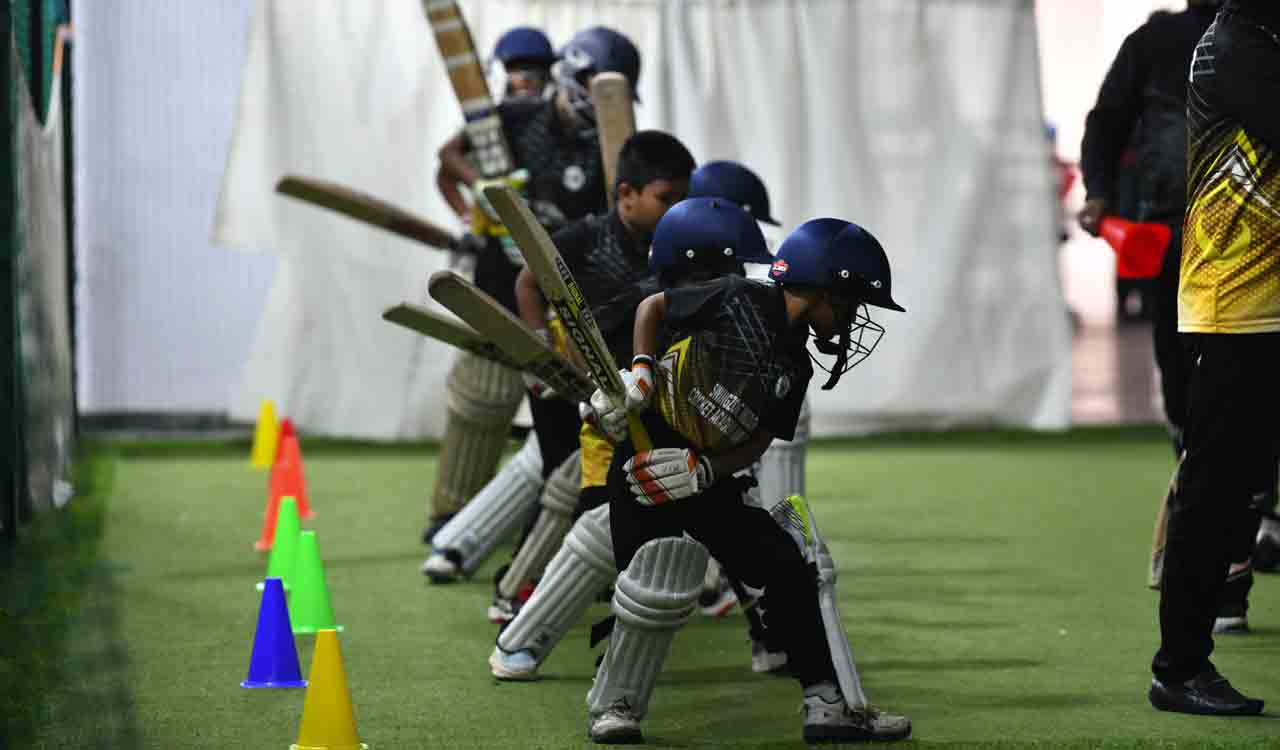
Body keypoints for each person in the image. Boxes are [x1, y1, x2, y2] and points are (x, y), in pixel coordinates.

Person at [585, 216, 911, 744]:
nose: (854, 319)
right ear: (823, 288)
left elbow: (759, 440)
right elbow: (653, 308)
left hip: (706, 476)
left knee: (787, 566)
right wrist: (641, 370)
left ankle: (825, 703)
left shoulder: (796, 365)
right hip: (645, 461)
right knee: (651, 581)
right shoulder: (736, 297)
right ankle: (615, 706)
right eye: (852, 303)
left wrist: (708, 471)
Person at [487, 196, 775, 682]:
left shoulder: (739, 316)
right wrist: (600, 403)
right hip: (617, 441)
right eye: (733, 268)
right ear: (695, 267)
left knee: (736, 526)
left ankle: (773, 638)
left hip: (698, 444)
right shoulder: (637, 304)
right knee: (605, 534)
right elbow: (586, 354)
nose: (742, 279)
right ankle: (521, 643)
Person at [421, 27, 639, 552]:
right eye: (595, 87)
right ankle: (451, 514)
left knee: (570, 415)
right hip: (500, 284)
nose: (602, 104)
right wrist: (480, 195)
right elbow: (448, 157)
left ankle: (554, 526)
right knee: (483, 399)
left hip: (565, 298)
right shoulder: (517, 118)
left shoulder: (616, 144)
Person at [479, 130, 695, 620]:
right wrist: (538, 350)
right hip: (564, 385)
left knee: (613, 489)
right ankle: (517, 587)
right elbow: (528, 282)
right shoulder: (586, 237)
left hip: (628, 389)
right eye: (666, 198)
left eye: (684, 198)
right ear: (627, 194)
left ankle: (594, 578)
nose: (677, 209)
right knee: (564, 484)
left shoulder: (671, 245)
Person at [1148, 0, 1278, 717]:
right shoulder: (1237, 49)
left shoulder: (1250, 38)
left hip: (1258, 300)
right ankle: (1180, 666)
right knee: (1217, 489)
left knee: (1233, 485)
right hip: (1238, 301)